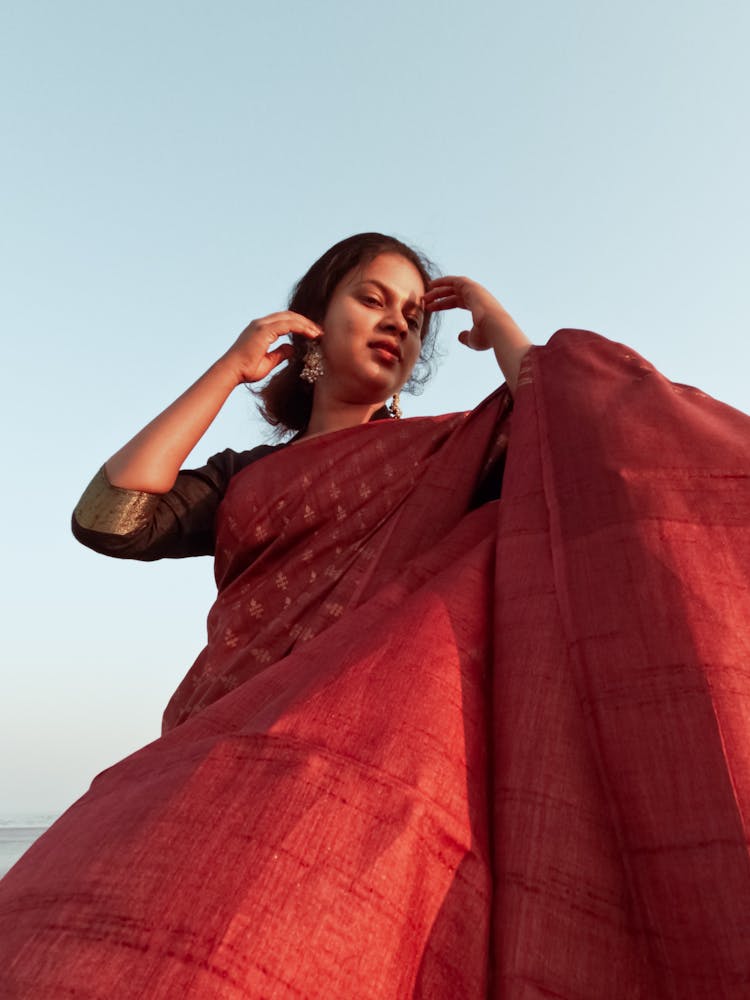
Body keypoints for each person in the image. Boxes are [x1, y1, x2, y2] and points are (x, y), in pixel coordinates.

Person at [1, 233, 749, 999]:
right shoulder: (244, 477)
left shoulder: (447, 458)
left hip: (364, 785)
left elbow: (582, 440)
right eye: (372, 298)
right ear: (312, 322)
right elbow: (112, 517)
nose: (399, 322)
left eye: (416, 316)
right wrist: (230, 369)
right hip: (219, 752)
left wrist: (504, 333)